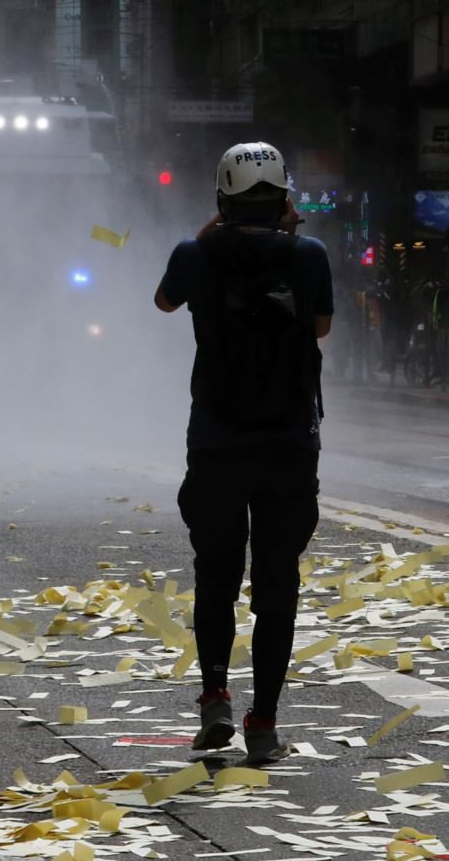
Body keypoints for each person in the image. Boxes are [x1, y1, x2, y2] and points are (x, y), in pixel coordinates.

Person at [154, 142, 333, 766]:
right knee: (277, 584)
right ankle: (263, 723)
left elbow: (165, 301)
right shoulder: (308, 255)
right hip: (288, 444)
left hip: (215, 442)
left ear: (222, 198)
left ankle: (214, 700)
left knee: (216, 574)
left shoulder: (194, 253)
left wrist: (214, 234)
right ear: (285, 198)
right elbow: (320, 330)